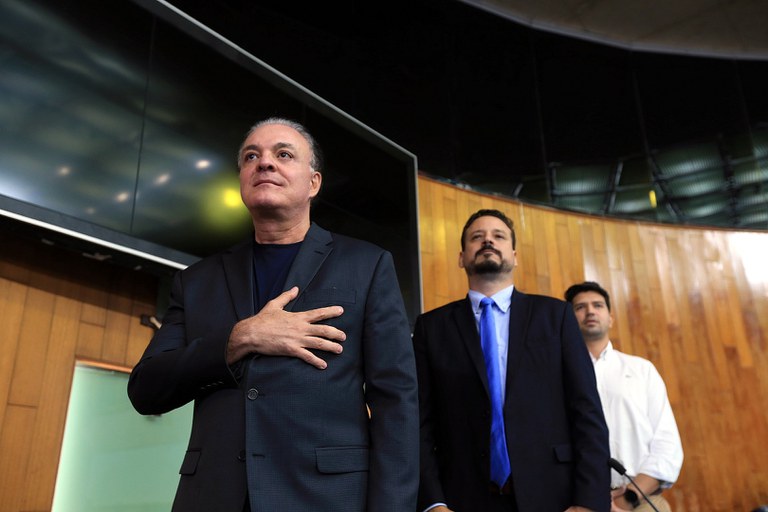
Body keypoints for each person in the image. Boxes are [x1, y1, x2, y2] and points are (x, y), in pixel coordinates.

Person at [127, 117, 419, 512]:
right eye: (252, 156)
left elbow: (396, 400)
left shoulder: (367, 265)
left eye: (283, 154)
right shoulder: (197, 281)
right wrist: (239, 339)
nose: (264, 162)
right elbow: (146, 390)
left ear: (313, 183)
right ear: (242, 179)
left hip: (325, 498)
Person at [412, 209, 611, 512]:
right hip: (461, 498)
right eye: (477, 237)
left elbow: (587, 412)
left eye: (498, 236)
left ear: (515, 256)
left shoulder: (555, 316)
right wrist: (433, 502)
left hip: (553, 494)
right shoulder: (432, 328)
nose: (488, 241)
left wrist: (588, 502)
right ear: (461, 258)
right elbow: (419, 423)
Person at [564, 281, 683, 512]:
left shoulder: (641, 370)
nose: (590, 311)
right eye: (580, 307)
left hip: (639, 500)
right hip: (578, 502)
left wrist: (629, 498)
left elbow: (667, 444)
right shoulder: (557, 375)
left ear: (610, 318)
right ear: (567, 321)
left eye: (598, 305)